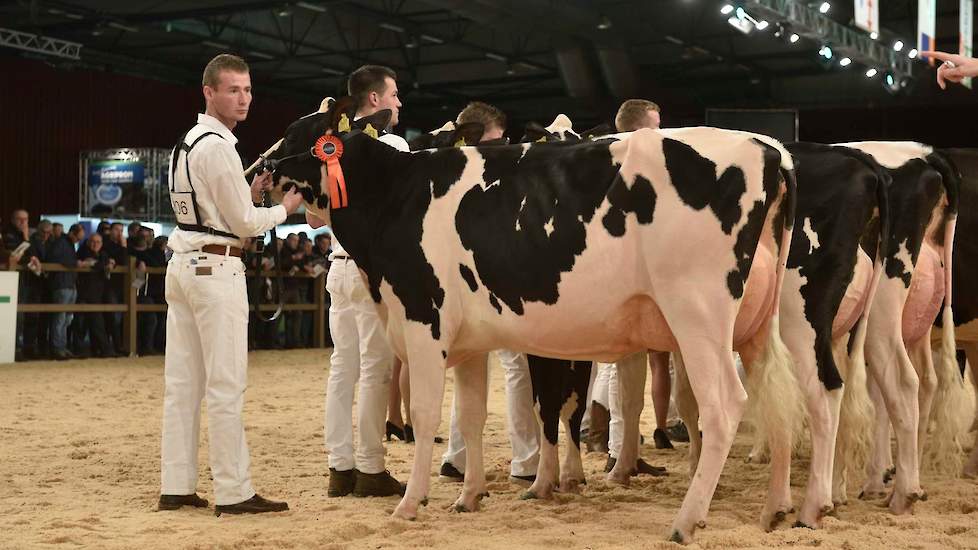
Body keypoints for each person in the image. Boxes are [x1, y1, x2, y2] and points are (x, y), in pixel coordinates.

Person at [159, 53, 302, 515]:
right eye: (233, 90)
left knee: (183, 386)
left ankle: (176, 486)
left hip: (184, 266)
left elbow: (213, 210)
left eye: (247, 90)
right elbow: (243, 222)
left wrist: (251, 193)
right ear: (209, 92)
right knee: (225, 384)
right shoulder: (220, 145)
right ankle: (235, 491)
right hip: (216, 271)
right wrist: (285, 207)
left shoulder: (186, 142)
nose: (243, 99)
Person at [435, 102, 540, 486]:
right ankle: (522, 460)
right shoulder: (481, 172)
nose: (504, 147)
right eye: (496, 141)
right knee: (508, 367)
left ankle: (462, 458)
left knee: (485, 367)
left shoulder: (453, 170)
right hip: (491, 279)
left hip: (479, 279)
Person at [315, 64, 407, 499]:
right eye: (393, 95)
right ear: (374, 100)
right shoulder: (391, 144)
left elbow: (314, 213)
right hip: (372, 269)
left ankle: (339, 467)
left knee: (342, 368)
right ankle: (371, 468)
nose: (398, 103)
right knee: (375, 369)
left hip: (337, 264)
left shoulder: (331, 147)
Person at [45, 222, 82, 360]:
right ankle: (57, 347)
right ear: (72, 233)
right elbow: (54, 257)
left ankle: (62, 346)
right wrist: (75, 263)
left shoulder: (68, 243)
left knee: (67, 318)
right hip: (61, 284)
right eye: (78, 237)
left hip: (70, 283)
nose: (78, 241)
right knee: (60, 318)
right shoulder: (61, 242)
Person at [76, 232, 115, 357]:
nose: (95, 244)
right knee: (81, 324)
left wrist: (108, 263)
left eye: (98, 242)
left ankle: (99, 350)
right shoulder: (83, 252)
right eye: (93, 241)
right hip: (84, 292)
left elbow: (102, 263)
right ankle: (101, 350)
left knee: (95, 323)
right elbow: (100, 265)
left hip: (98, 293)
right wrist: (102, 264)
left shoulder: (102, 254)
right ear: (88, 242)